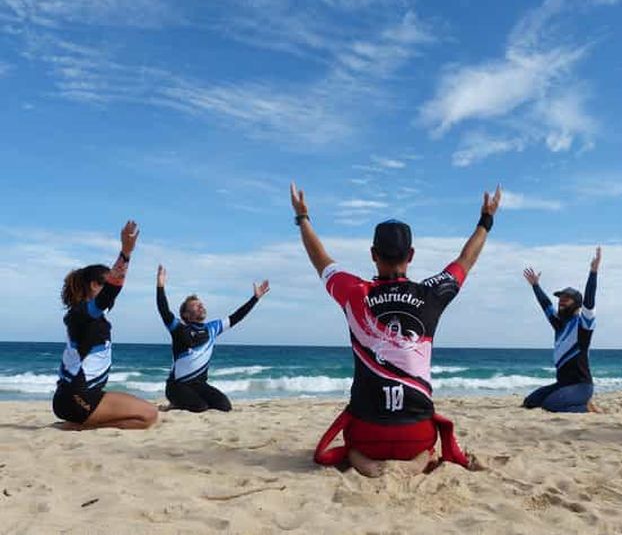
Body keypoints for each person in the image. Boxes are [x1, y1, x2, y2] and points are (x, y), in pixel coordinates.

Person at [291, 182, 501, 477]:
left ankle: (362, 461)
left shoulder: (355, 292)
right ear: (411, 255)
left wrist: (302, 219)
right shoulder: (431, 294)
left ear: (373, 254)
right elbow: (465, 260)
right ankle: (421, 459)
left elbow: (321, 261)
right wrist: (486, 220)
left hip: (367, 433)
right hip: (415, 434)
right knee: (426, 445)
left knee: (353, 445)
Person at [53, 221, 158, 430]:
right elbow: (111, 291)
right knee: (149, 415)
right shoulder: (81, 313)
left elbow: (110, 296)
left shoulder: (94, 313)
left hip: (77, 397)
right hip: (76, 397)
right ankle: (79, 426)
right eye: (105, 282)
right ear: (94, 285)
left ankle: (79, 423)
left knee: (147, 414)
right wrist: (126, 254)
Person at [156, 265, 269, 412]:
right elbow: (164, 310)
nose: (201, 307)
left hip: (199, 385)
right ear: (186, 314)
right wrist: (160, 286)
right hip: (177, 386)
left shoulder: (212, 328)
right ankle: (175, 403)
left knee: (224, 406)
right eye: (196, 306)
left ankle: (183, 403)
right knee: (200, 407)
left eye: (201, 305)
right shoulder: (179, 329)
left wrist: (255, 299)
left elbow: (236, 317)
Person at [521, 247, 602, 413]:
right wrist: (536, 285)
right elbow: (546, 305)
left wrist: (593, 273)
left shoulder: (583, 325)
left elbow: (589, 302)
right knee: (530, 402)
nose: (561, 302)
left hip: (581, 386)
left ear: (577, 304)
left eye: (566, 299)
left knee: (551, 405)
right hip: (563, 385)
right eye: (560, 299)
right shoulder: (559, 324)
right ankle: (578, 404)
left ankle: (586, 407)